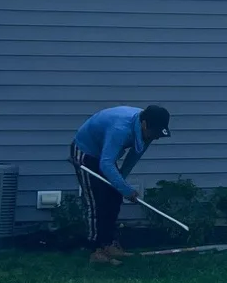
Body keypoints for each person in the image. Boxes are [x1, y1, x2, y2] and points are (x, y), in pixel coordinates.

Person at [69, 104, 171, 264]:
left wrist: (120, 186)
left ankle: (109, 244)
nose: (156, 137)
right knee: (96, 202)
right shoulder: (121, 129)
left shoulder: (148, 132)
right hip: (85, 152)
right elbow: (106, 164)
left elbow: (132, 158)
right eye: (154, 133)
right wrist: (125, 189)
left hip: (104, 156)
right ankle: (96, 251)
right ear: (144, 125)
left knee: (114, 197)